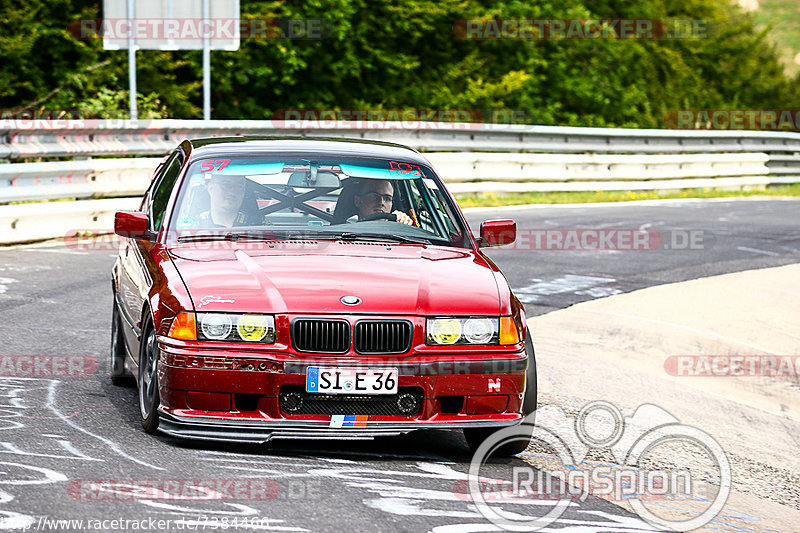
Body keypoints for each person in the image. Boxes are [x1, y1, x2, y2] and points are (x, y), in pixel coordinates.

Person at [195, 174, 260, 228]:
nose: (233, 192)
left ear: (244, 192)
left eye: (238, 186)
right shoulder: (193, 226)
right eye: (226, 185)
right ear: (211, 189)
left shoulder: (260, 226)